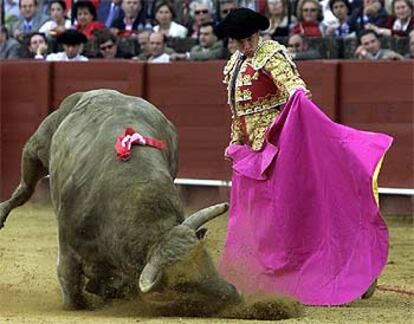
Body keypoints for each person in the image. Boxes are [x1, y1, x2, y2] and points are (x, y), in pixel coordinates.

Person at [215, 7, 393, 306]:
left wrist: (297, 94)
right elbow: (239, 111)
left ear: (258, 34)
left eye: (249, 39)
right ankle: (264, 275)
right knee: (255, 219)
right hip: (251, 151)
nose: (246, 46)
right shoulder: (235, 63)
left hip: (279, 147)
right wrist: (235, 140)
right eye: (239, 41)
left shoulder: (272, 55)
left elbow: (292, 85)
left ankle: (353, 267)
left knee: (291, 216)